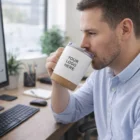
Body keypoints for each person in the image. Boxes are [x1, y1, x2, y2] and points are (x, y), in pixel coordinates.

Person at [46, 0, 140, 139]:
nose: (83, 44)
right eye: (84, 33)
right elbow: (67, 114)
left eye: (91, 33)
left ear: (124, 29)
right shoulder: (102, 73)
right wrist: (58, 79)